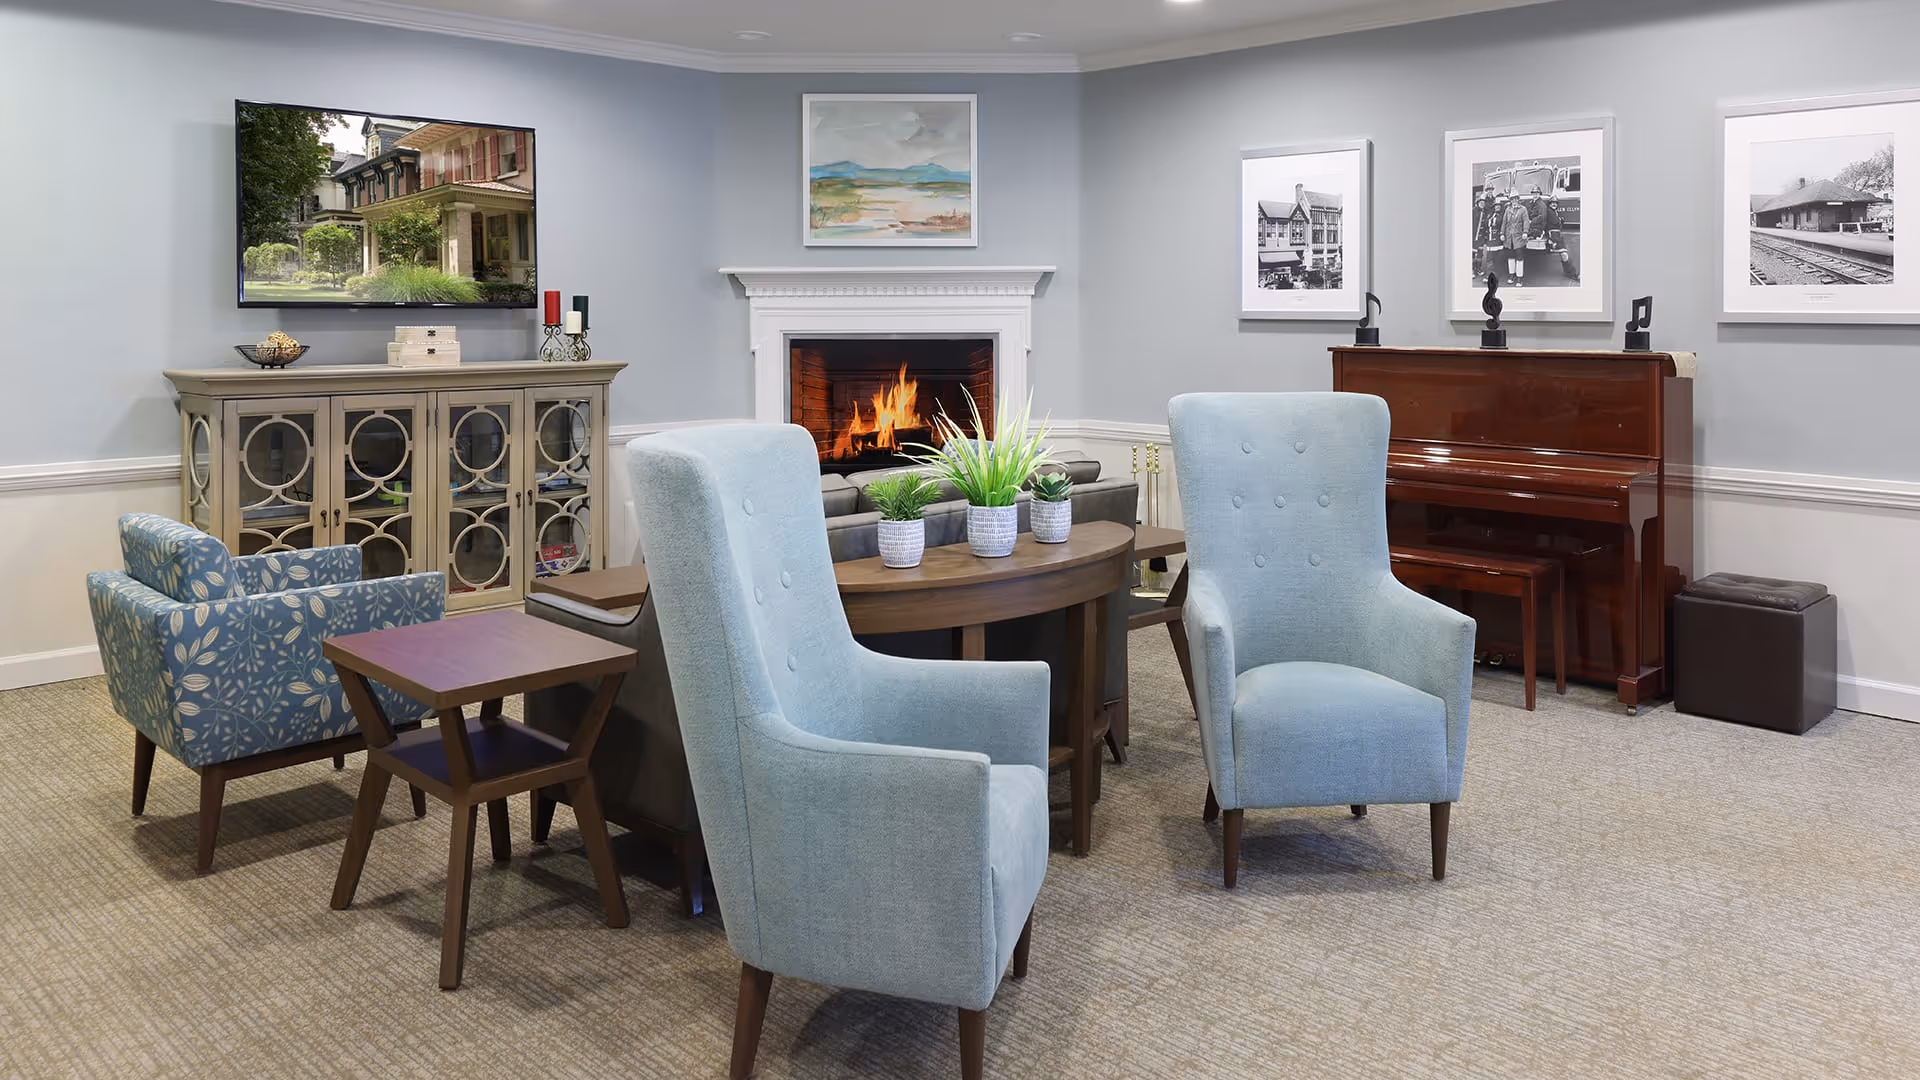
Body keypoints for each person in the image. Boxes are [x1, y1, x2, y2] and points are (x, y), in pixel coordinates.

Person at [1502, 193, 1532, 285]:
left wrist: (1525, 232)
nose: (1514, 201)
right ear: (1510, 201)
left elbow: (1526, 222)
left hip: (1518, 237)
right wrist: (1502, 233)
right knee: (1510, 256)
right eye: (1512, 199)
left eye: (1515, 199)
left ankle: (1519, 278)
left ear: (1518, 199)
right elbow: (1504, 222)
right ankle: (1512, 275)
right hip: (1509, 237)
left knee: (1519, 257)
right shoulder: (1508, 209)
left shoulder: (1523, 209)